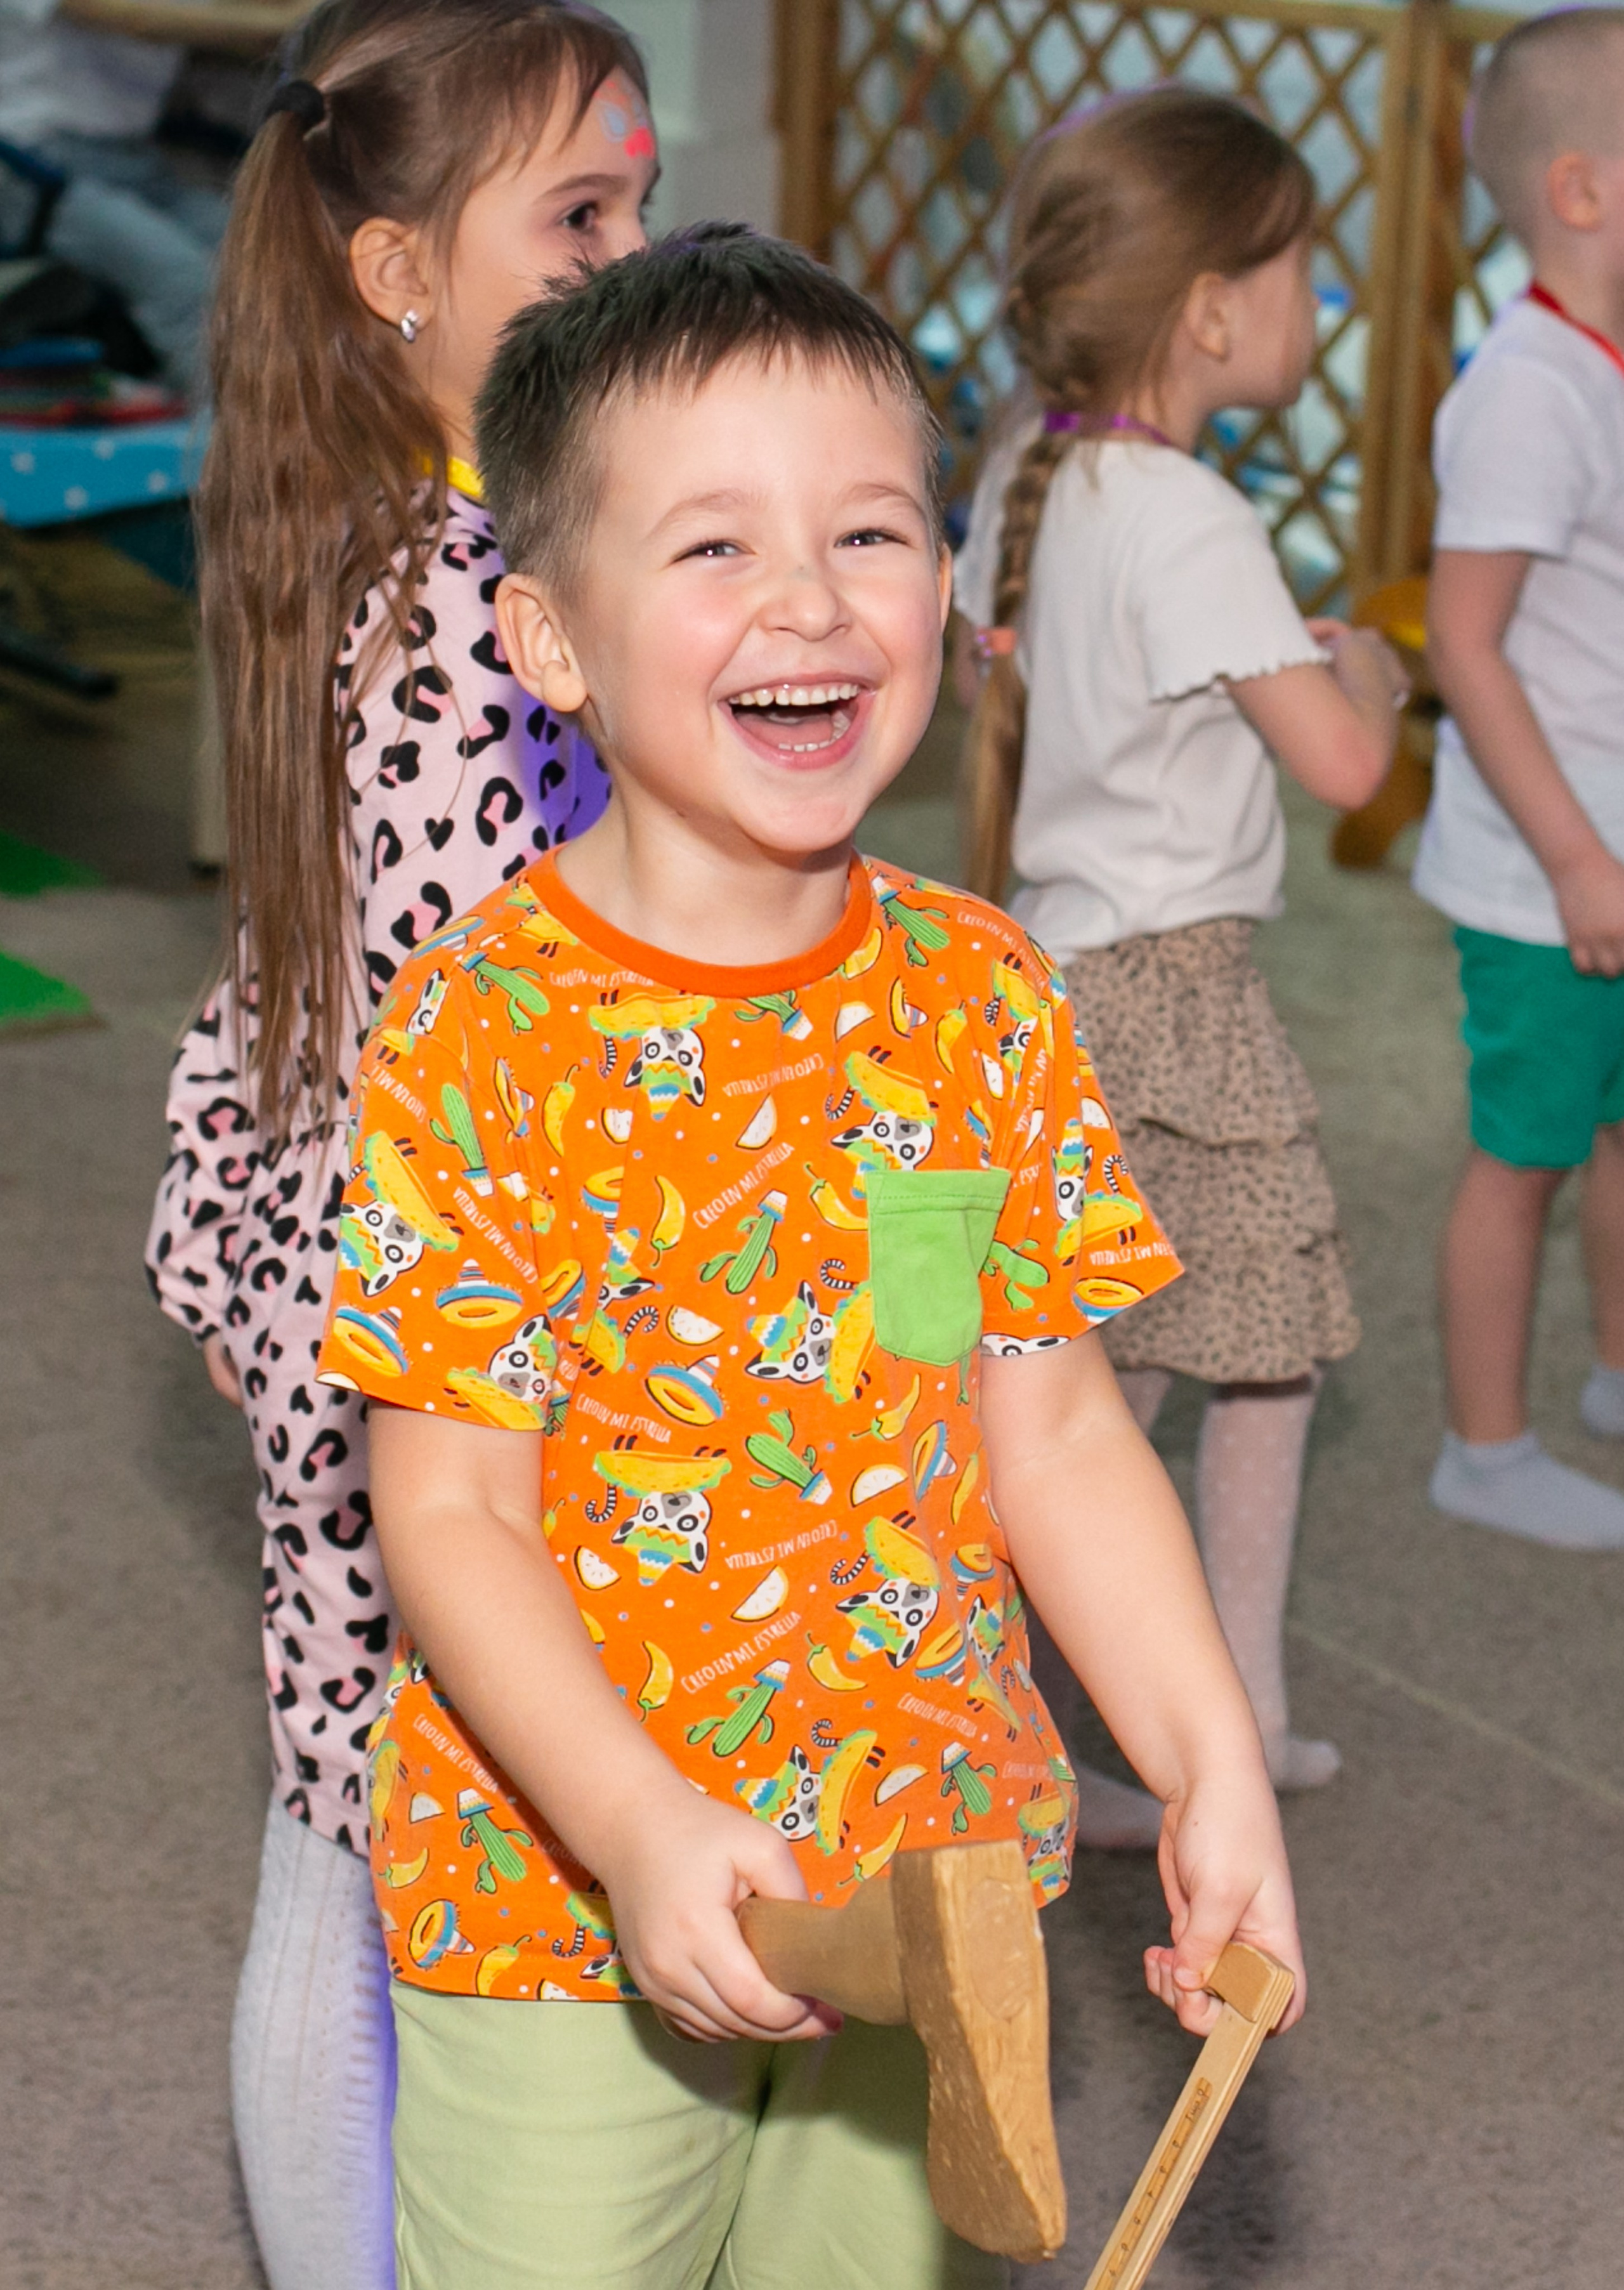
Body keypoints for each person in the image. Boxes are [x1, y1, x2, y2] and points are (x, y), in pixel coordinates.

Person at [313, 221, 1306, 2290]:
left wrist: (1210, 1762)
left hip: (915, 1872)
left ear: (946, 590)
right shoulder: (482, 1033)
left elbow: (1044, 1438)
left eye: (872, 533)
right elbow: (457, 1515)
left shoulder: (981, 1001)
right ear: (552, 641)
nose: (812, 600)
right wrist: (640, 1828)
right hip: (563, 1909)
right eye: (712, 550)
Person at [143, 4, 657, 2284]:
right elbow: (523, 1054)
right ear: (397, 277)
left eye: (637, 204)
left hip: (341, 1259)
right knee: (362, 1846)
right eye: (581, 218)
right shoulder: (473, 623)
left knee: (340, 1820)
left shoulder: (380, 533)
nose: (635, 252)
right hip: (427, 1315)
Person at [955, 90, 1405, 1799]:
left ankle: (1058, 1707)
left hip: (1063, 975)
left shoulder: (1038, 466)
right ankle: (1207, 1728)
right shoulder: (1190, 514)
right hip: (1172, 993)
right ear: (1214, 306)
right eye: (1306, 270)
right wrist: (1358, 664)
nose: (1321, 304)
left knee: (1114, 1374)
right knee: (1258, 1361)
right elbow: (1350, 769)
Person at [1417, 9, 1624, 1549]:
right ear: (1579, 188)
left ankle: (1615, 1372)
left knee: (1615, 1130)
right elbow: (1464, 642)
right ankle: (1477, 1449)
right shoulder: (1525, 391)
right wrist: (1569, 856)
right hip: (1547, 871)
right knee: (1523, 1154)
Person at [0, 0, 310, 393]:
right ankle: (234, 445)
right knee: (190, 287)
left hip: (132, 158)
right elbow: (133, 16)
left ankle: (307, 429)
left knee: (279, 260)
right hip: (30, 165)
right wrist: (295, 21)